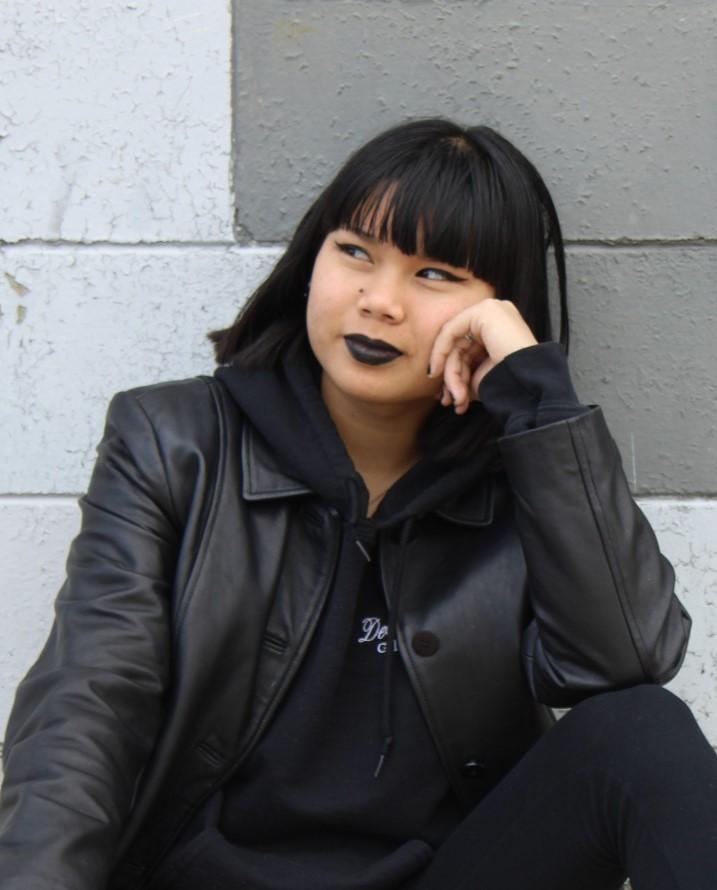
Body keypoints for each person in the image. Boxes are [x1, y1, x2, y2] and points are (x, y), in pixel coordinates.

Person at [0, 118, 715, 890]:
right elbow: (88, 704)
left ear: (495, 309)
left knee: (641, 730)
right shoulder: (175, 442)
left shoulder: (525, 477)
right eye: (354, 252)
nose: (379, 302)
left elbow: (622, 661)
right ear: (311, 259)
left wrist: (538, 404)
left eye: (433, 273)